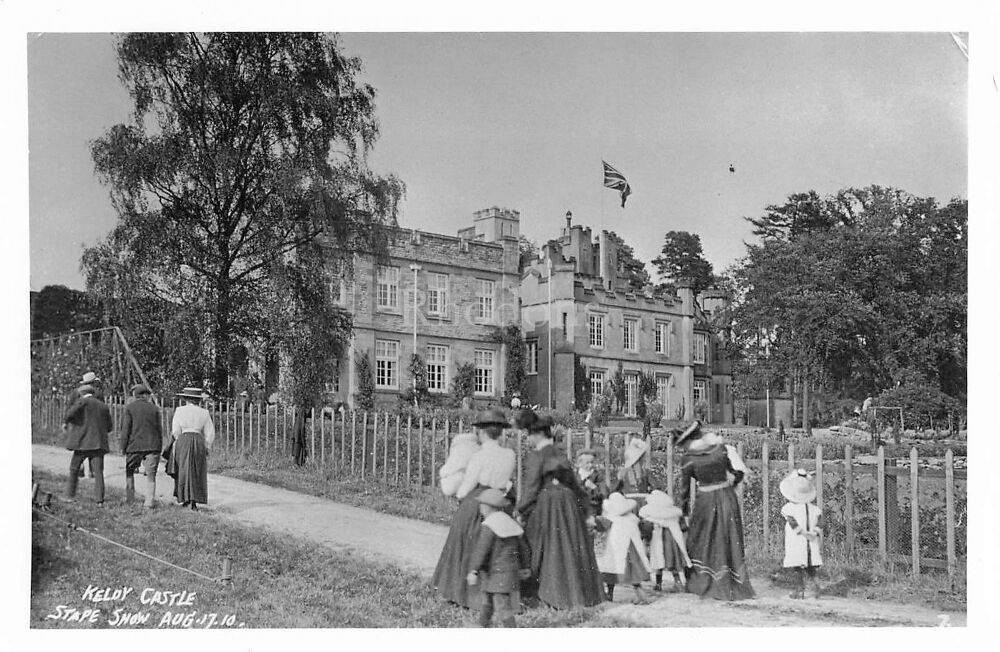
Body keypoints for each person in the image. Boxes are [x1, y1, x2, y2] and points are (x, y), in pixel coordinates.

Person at [516, 411, 604, 609]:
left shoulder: (537, 456)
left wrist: (520, 511)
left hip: (548, 504)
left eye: (529, 435)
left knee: (538, 542)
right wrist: (587, 511)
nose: (528, 439)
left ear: (535, 435)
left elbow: (531, 488)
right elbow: (575, 485)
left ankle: (546, 594)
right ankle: (576, 594)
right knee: (569, 545)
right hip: (569, 504)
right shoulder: (559, 453)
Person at [433, 408, 516, 609]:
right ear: (501, 432)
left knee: (465, 541)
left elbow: (466, 487)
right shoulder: (510, 454)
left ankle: (461, 593)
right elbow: (507, 481)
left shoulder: (478, 457)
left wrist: (459, 495)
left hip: (478, 501)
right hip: (500, 501)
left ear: (481, 432)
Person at [675, 420, 754, 600]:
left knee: (701, 538)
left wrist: (684, 513)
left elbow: (684, 490)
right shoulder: (720, 449)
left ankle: (703, 582)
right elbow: (736, 473)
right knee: (726, 537)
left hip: (706, 500)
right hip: (727, 497)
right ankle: (729, 582)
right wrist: (732, 480)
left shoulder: (688, 458)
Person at [466, 488, 532, 627]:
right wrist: (525, 566)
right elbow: (523, 548)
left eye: (482, 505)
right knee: (489, 600)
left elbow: (481, 550)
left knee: (500, 605)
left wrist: (473, 570)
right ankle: (482, 624)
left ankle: (509, 628)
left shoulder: (490, 526)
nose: (480, 508)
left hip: (494, 573)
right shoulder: (509, 522)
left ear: (487, 507)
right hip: (508, 573)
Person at [597, 492, 653, 604]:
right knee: (633, 573)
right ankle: (640, 593)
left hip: (613, 549)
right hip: (631, 548)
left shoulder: (608, 518)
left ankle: (610, 594)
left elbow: (601, 529)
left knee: (610, 572)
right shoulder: (633, 518)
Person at [62, 383, 113, 505]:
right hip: (98, 444)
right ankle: (99, 500)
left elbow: (69, 415)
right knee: (98, 472)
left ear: (81, 393)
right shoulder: (103, 406)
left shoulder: (81, 402)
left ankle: (70, 495)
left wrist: (77, 425)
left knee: (74, 469)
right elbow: (109, 427)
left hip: (82, 443)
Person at [168, 386, 215, 510]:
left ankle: (185, 498)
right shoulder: (204, 412)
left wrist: (179, 440)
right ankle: (194, 500)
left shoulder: (179, 410)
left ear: (186, 399)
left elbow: (175, 430)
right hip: (199, 440)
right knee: (197, 470)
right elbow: (210, 432)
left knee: (183, 469)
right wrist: (207, 445)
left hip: (184, 439)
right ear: (198, 400)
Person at [780, 469, 824, 599]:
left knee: (796, 566)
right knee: (811, 566)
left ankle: (799, 590)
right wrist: (813, 532)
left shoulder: (788, 508)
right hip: (811, 540)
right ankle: (816, 586)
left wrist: (803, 533)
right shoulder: (815, 509)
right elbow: (821, 522)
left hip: (797, 541)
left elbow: (792, 523)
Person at [639, 490, 691, 592]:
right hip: (671, 538)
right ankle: (678, 582)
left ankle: (658, 584)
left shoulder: (649, 511)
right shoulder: (673, 512)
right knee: (672, 560)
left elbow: (644, 523)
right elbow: (683, 527)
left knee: (658, 560)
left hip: (657, 537)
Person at [120, 384, 163, 508]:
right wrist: (159, 447)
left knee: (129, 471)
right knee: (151, 474)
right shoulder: (154, 409)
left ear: (135, 395)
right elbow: (159, 430)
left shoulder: (130, 408)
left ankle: (130, 498)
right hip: (152, 446)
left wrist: (123, 446)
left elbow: (125, 430)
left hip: (134, 445)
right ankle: (149, 502)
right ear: (145, 395)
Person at [439, 431, 480, 497]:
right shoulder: (477, 448)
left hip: (458, 483)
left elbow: (449, 467)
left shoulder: (457, 448)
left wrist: (444, 473)